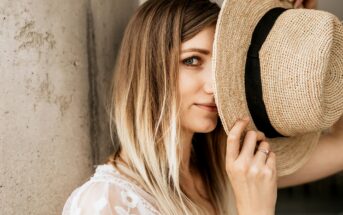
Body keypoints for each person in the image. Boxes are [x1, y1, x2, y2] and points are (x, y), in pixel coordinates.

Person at [62, 0, 342, 214]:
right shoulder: (105, 203)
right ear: (149, 70)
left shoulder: (230, 169)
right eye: (192, 60)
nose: (214, 85)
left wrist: (304, 42)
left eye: (219, 66)